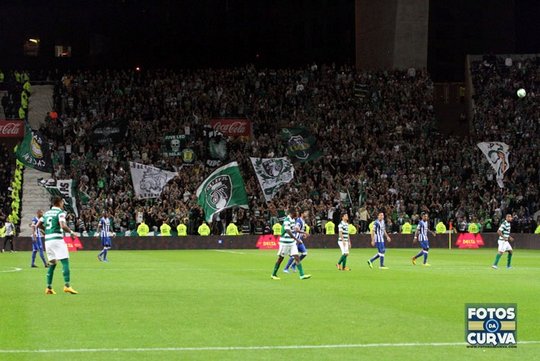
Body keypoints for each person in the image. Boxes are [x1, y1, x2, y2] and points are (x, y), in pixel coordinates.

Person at [37, 196, 78, 294]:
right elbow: (63, 225)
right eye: (62, 202)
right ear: (59, 202)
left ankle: (49, 288)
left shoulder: (46, 213)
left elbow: (38, 225)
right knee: (65, 261)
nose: (63, 204)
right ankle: (67, 285)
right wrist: (72, 232)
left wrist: (46, 231)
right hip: (57, 240)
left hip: (48, 241)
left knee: (53, 263)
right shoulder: (60, 213)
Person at [270, 209, 311, 280]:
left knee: (297, 257)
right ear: (292, 213)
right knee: (280, 258)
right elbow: (288, 231)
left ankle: (302, 275)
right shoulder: (287, 220)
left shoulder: (293, 220)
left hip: (291, 242)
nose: (297, 214)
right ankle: (273, 274)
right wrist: (296, 239)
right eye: (296, 212)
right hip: (285, 242)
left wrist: (303, 232)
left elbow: (295, 230)